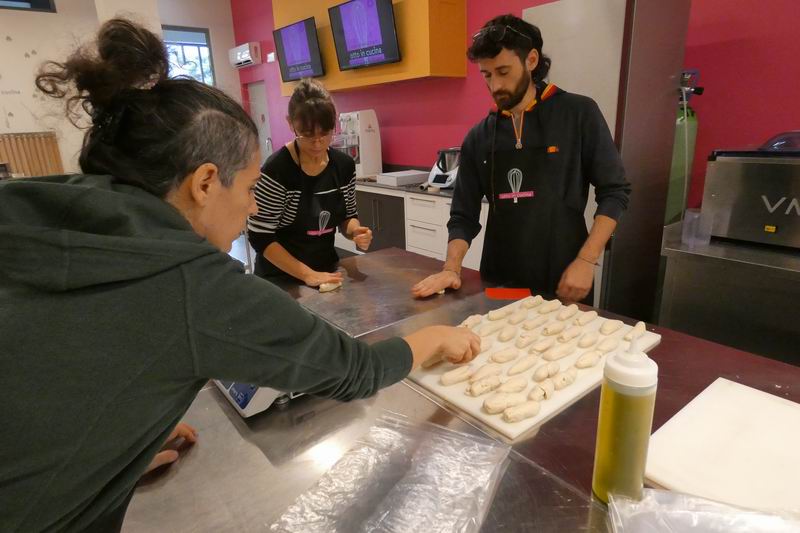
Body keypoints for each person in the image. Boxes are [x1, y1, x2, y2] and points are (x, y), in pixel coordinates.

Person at [0, 19, 479, 532]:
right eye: (249, 188)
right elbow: (352, 371)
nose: (252, 205)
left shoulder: (34, 211)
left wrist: (119, 436)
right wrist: (432, 336)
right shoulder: (191, 282)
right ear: (206, 182)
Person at [412, 14, 631, 304]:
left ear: (531, 60)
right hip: (501, 284)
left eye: (503, 71)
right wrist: (451, 268)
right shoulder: (479, 137)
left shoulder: (578, 114)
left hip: (565, 279)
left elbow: (615, 192)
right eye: (487, 75)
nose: (495, 86)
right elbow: (463, 215)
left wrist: (586, 261)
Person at [247, 79, 371, 286]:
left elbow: (348, 215)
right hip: (279, 278)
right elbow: (260, 236)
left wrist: (355, 231)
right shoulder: (277, 170)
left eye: (325, 134)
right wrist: (306, 274)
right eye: (307, 135)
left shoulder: (344, 166)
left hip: (327, 270)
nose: (317, 143)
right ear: (290, 123)